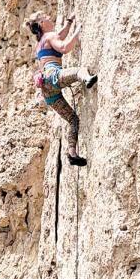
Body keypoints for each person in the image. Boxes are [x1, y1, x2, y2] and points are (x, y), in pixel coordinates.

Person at [26, 11, 97, 166]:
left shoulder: (41, 42)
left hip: (47, 91)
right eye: (46, 17)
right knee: (80, 71)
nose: (50, 18)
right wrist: (77, 31)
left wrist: (69, 22)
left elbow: (60, 36)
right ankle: (88, 79)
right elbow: (63, 47)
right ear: (42, 23)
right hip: (53, 76)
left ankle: (72, 153)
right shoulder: (50, 36)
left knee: (73, 120)